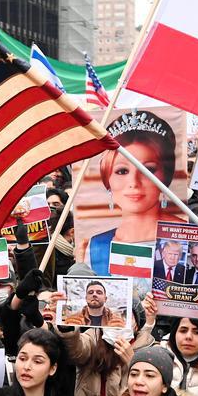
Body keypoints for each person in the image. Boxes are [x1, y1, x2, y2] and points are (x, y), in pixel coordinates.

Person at [78, 110, 179, 275]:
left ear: (165, 176)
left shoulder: (187, 238)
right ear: (107, 179)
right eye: (122, 171)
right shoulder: (95, 246)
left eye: (148, 170)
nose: (134, 183)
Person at [62, 280, 126, 327]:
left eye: (99, 292)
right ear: (86, 298)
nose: (94, 295)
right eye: (90, 292)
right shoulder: (73, 320)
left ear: (105, 299)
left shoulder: (116, 321)